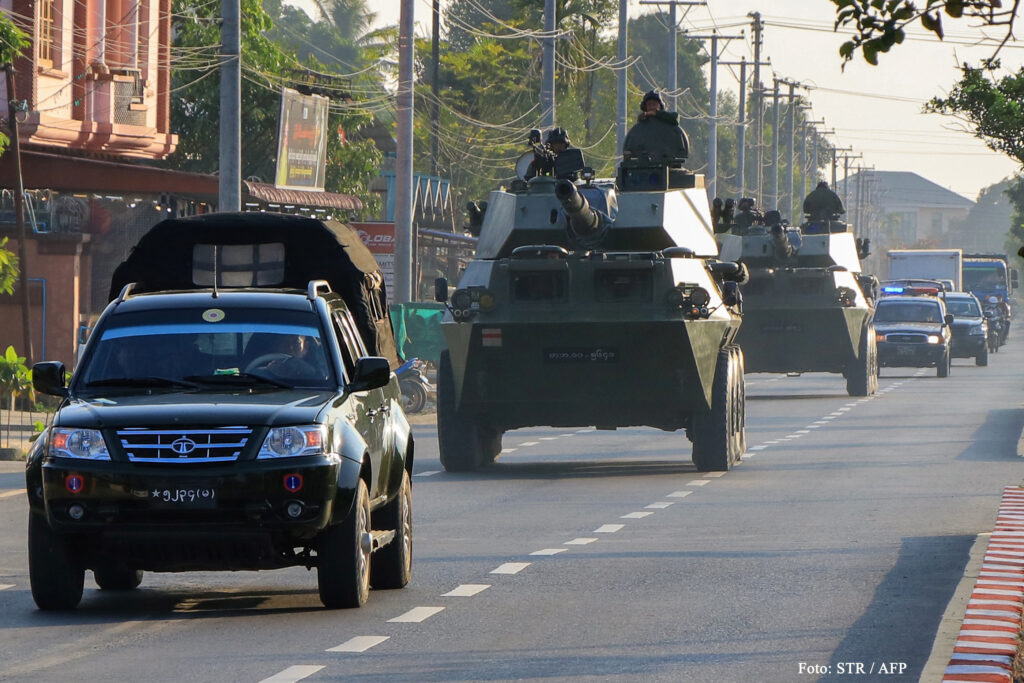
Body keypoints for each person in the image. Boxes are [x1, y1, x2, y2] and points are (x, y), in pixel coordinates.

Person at [622, 90, 690, 164]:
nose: (651, 107)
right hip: (644, 165)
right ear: (645, 107)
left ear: (660, 106)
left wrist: (656, 114)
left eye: (654, 104)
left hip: (668, 163)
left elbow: (674, 117)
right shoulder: (640, 127)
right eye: (649, 105)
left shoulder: (668, 120)